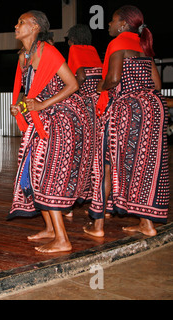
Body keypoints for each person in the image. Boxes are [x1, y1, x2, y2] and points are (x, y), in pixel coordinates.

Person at [7, 11, 88, 253]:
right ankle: (51, 229)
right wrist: (21, 106)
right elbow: (31, 95)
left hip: (62, 120)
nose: (16, 25)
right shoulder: (23, 57)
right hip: (41, 120)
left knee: (48, 176)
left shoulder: (47, 51)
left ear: (35, 27)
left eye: (21, 22)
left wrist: (41, 105)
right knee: (34, 173)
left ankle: (63, 239)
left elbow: (73, 84)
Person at [85, 5, 169, 237]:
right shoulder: (144, 45)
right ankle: (147, 223)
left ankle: (98, 225)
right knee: (144, 166)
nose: (109, 25)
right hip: (152, 109)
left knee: (105, 165)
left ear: (122, 24)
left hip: (127, 111)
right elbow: (158, 85)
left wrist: (97, 87)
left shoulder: (118, 43)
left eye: (112, 21)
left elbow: (112, 79)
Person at [65, 24, 103, 214]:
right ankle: (98, 198)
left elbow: (80, 76)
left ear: (72, 38)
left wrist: (70, 93)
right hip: (101, 103)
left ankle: (70, 202)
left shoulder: (74, 49)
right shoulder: (93, 50)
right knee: (98, 152)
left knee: (78, 152)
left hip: (86, 103)